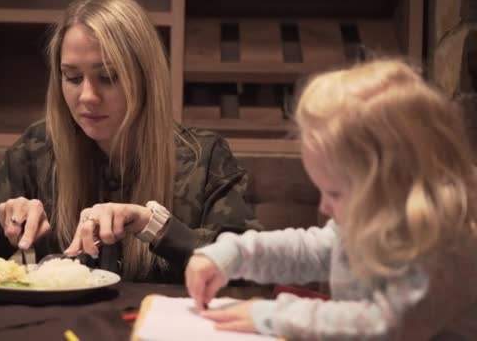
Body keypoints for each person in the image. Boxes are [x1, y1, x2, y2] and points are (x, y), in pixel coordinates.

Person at [0, 0, 262, 283]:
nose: (88, 97)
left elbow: (252, 264)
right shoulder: (36, 150)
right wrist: (2, 225)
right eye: (73, 77)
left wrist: (154, 225)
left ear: (145, 78)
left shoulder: (204, 157)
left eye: (108, 77)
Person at [185, 59, 477, 339]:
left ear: (395, 183)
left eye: (335, 193)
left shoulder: (446, 245)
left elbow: (387, 325)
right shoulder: (372, 217)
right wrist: (234, 254)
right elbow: (310, 250)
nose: (324, 206)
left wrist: (277, 315)